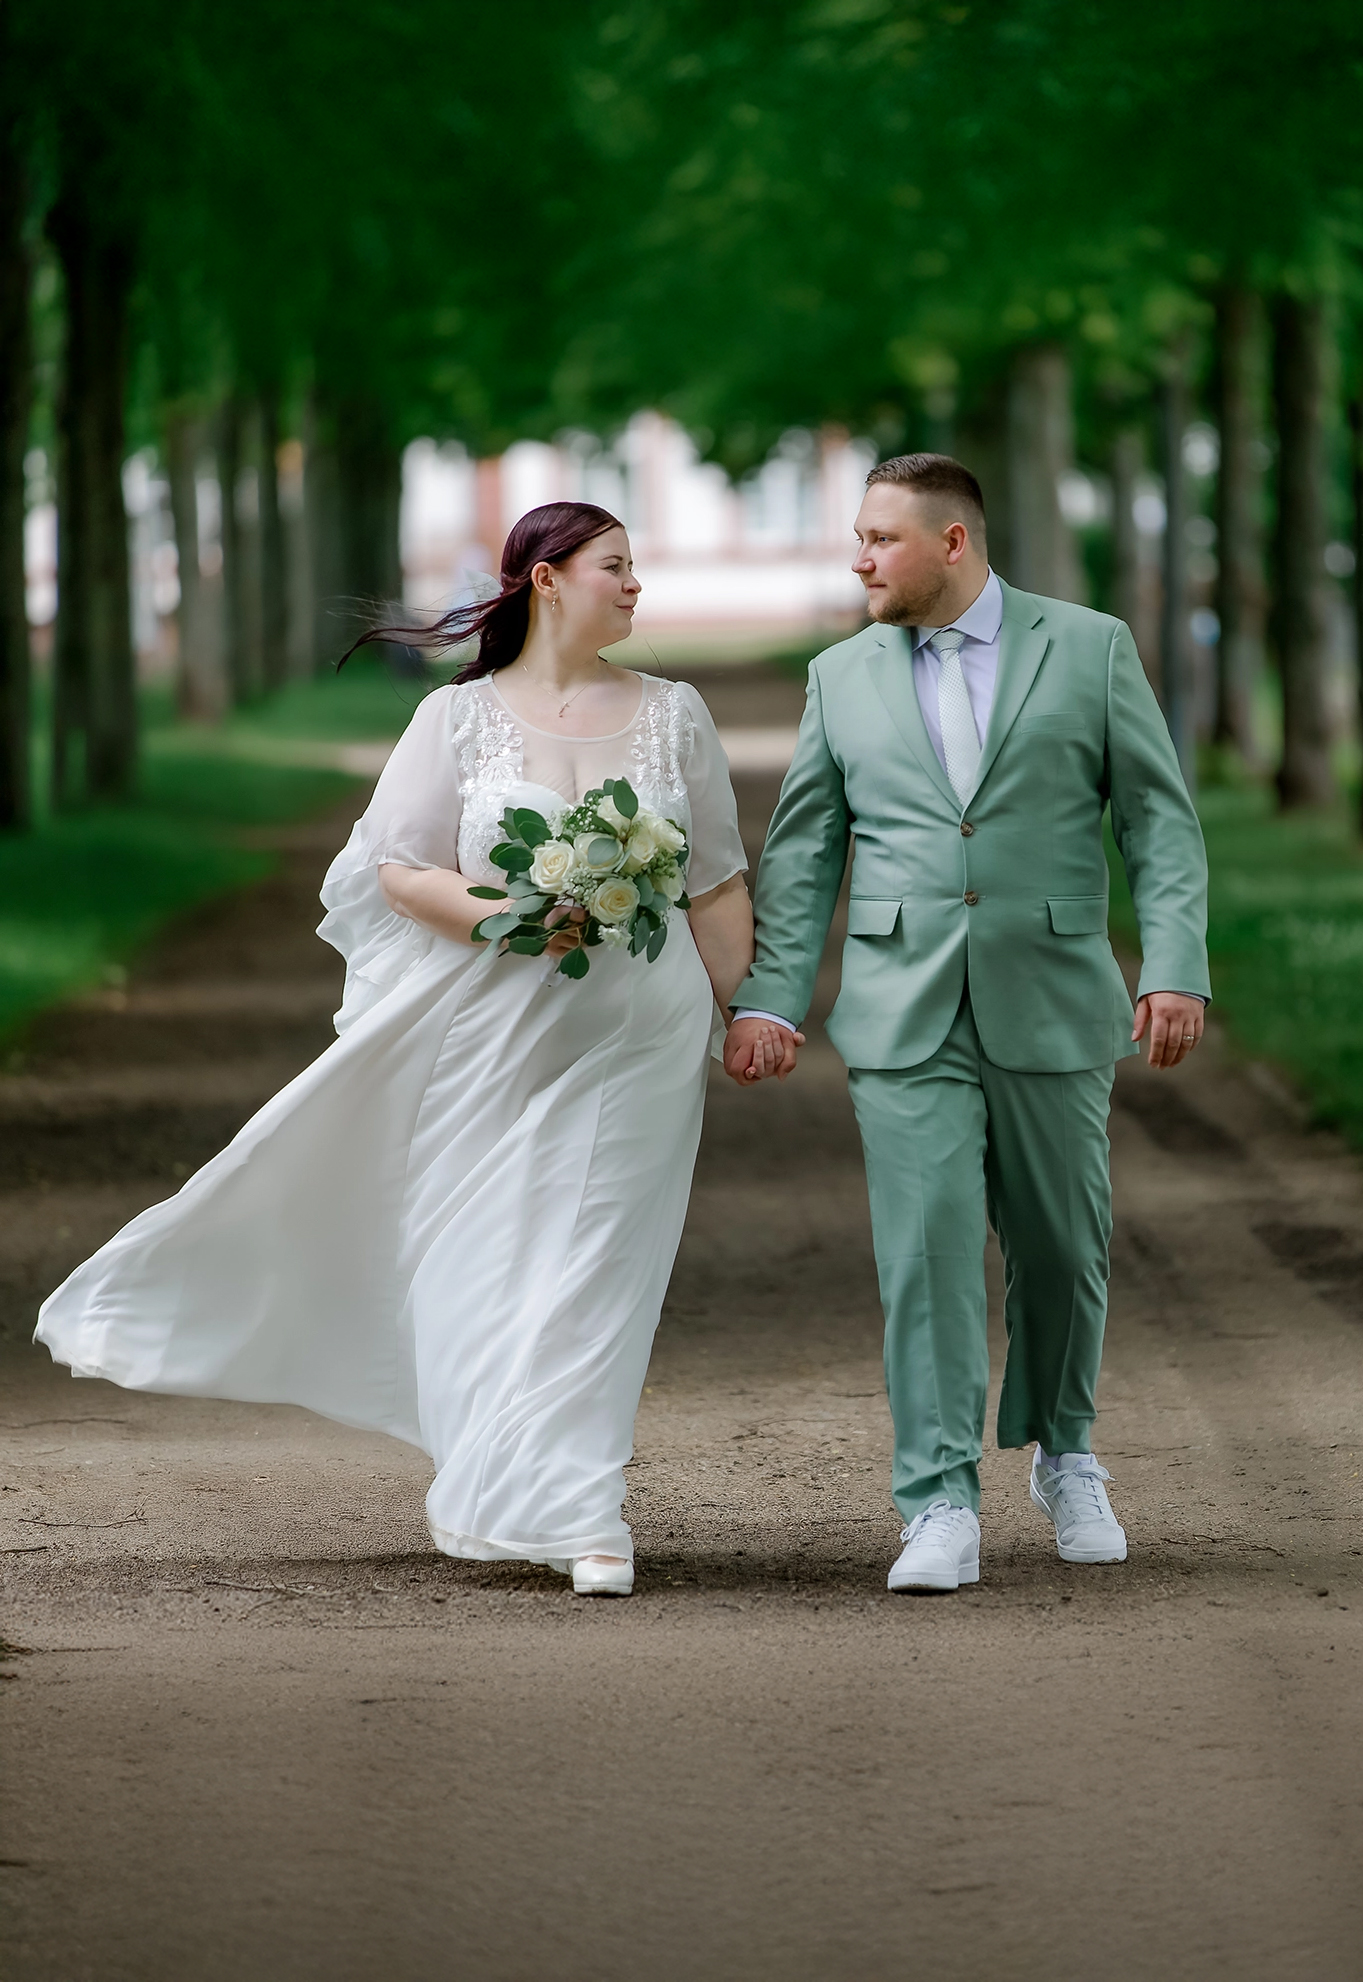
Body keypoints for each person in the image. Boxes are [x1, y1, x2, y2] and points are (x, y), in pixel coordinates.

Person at [36, 502, 780, 1598]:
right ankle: (500, 1466)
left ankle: (582, 1509)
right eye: (616, 567)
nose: (636, 588)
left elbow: (714, 881)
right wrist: (506, 915)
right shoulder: (454, 719)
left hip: (639, 1030)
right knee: (487, 1250)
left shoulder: (674, 715)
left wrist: (751, 1011)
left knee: (597, 1256)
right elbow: (398, 869)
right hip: (490, 1030)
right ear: (546, 581)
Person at [725, 454, 1210, 1594]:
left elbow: (1156, 816)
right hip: (901, 1007)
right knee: (928, 1250)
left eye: (880, 538)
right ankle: (938, 1497)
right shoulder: (841, 674)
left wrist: (1174, 965)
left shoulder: (1086, 646)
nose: (859, 558)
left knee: (1061, 1245)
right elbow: (803, 853)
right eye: (856, 536)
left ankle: (1064, 1448)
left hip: (1052, 988)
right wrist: (768, 996)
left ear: (953, 543)